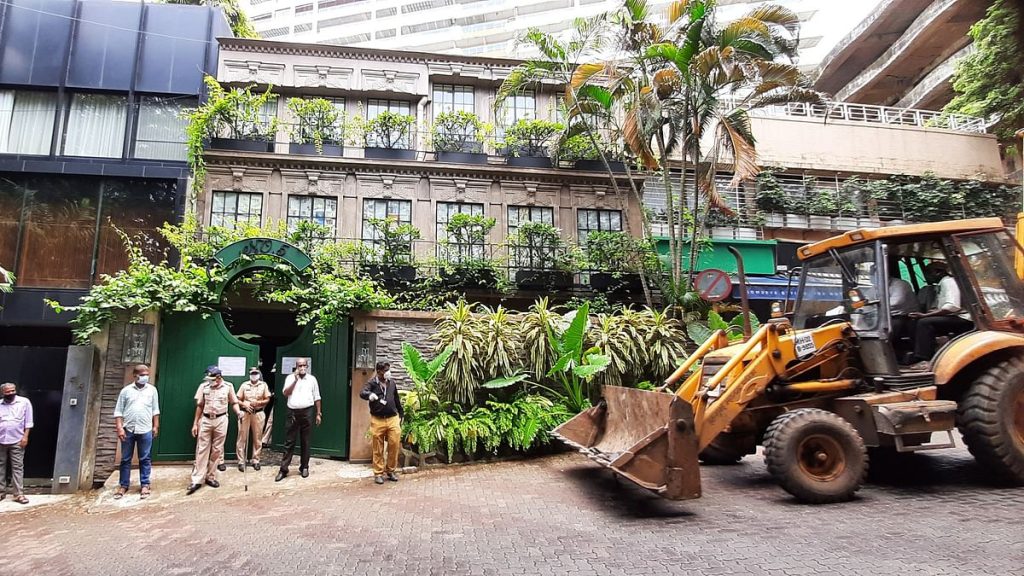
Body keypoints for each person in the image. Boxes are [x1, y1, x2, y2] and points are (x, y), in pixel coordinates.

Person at [187, 366, 242, 495]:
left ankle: (210, 477)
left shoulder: (228, 386)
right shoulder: (204, 387)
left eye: (212, 379)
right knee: (202, 449)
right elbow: (200, 405)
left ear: (218, 378)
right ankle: (197, 479)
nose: (210, 381)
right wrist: (195, 423)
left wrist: (238, 412)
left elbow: (234, 402)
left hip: (221, 419)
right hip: (206, 419)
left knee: (217, 450)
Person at [908, 261, 974, 369]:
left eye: (928, 274)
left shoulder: (948, 282)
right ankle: (919, 353)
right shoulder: (942, 284)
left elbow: (952, 307)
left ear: (937, 272)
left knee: (924, 323)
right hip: (953, 316)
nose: (926, 277)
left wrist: (925, 316)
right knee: (913, 322)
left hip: (963, 319)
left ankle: (925, 359)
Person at [112, 364, 160, 500]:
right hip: (128, 429)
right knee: (125, 459)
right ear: (135, 375)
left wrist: (155, 426)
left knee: (145, 458)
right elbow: (118, 411)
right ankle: (123, 485)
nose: (145, 377)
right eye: (142, 374)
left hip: (145, 429)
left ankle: (145, 484)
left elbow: (155, 410)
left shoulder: (152, 390)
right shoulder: (126, 391)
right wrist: (119, 427)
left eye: (147, 374)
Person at [275, 358, 321, 482]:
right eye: (299, 365)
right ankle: (284, 469)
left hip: (307, 411)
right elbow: (286, 393)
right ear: (296, 367)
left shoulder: (312, 379)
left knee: (306, 441)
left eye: (304, 365)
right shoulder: (290, 378)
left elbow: (317, 396)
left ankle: (304, 467)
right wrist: (295, 380)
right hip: (293, 412)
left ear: (307, 366)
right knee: (289, 441)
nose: (302, 367)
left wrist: (318, 413)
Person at [359, 361, 403, 485]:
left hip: (392, 418)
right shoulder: (372, 383)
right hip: (377, 419)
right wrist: (370, 395)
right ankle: (378, 473)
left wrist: (401, 413)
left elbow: (396, 398)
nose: (388, 372)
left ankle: (391, 470)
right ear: (378, 372)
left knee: (394, 444)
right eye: (385, 370)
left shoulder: (392, 383)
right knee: (378, 447)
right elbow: (362, 393)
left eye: (388, 369)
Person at [0, 382, 32, 504]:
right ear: (3, 393)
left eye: (13, 390)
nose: (11, 393)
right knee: (0, 466)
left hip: (17, 439)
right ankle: (1, 492)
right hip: (1, 439)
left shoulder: (24, 402)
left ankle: (18, 494)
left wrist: (25, 437)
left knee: (17, 467)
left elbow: (28, 422)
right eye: (8, 391)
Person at [236, 367, 270, 471]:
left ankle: (256, 460)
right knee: (242, 437)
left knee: (257, 438)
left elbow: (267, 399)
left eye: (256, 373)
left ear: (258, 374)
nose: (254, 375)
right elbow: (237, 399)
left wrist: (258, 403)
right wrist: (244, 405)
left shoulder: (263, 385)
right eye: (252, 373)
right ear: (250, 374)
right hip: (246, 413)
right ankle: (241, 461)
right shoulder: (244, 385)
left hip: (258, 413)